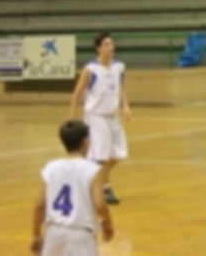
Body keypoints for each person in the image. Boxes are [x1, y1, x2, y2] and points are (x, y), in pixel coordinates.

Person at [31, 120, 114, 256]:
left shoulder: (51, 168)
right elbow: (100, 205)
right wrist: (107, 223)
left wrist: (36, 235)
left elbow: (39, 205)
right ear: (86, 141)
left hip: (54, 233)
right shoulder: (92, 170)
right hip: (81, 235)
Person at [69, 33, 131, 204]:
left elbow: (120, 89)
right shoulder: (90, 70)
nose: (111, 47)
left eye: (111, 44)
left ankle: (89, 177)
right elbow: (76, 95)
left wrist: (125, 106)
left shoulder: (119, 67)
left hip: (113, 116)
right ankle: (105, 188)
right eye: (106, 44)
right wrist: (72, 120)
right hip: (96, 116)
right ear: (98, 48)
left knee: (119, 154)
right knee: (102, 156)